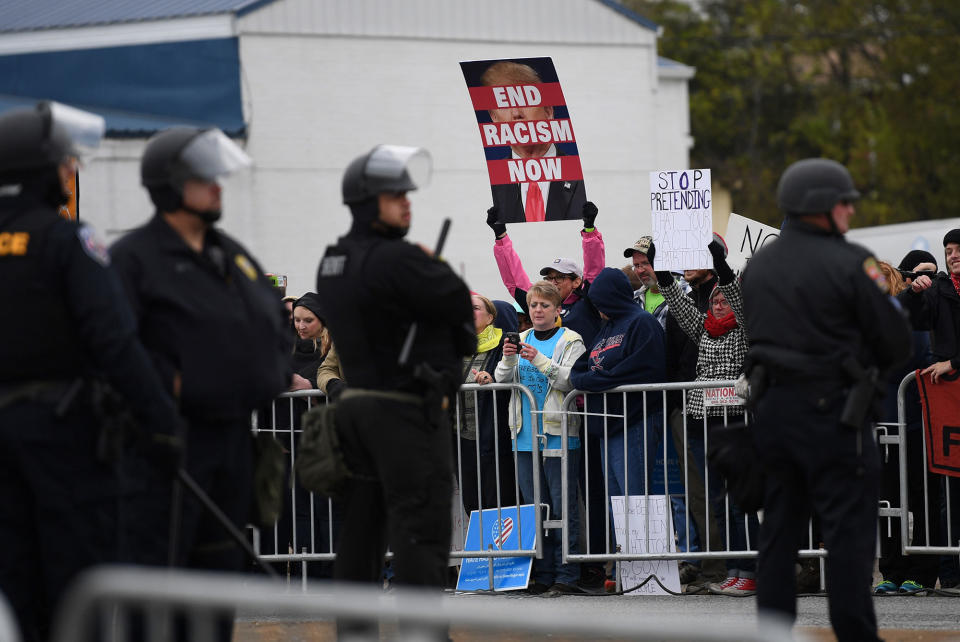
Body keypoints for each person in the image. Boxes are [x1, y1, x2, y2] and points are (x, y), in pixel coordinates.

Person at [0, 102, 182, 642]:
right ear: (41, 171)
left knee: (14, 582)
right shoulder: (67, 241)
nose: (71, 171)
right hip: (64, 440)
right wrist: (163, 423)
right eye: (64, 163)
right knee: (80, 584)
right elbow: (115, 342)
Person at [111, 127, 291, 581]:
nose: (217, 185)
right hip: (168, 446)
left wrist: (268, 375)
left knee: (218, 578)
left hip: (232, 441)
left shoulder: (230, 255)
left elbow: (273, 321)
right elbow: (113, 345)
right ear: (170, 186)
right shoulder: (133, 258)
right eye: (203, 178)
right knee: (160, 582)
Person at [742, 158, 912, 641]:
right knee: (847, 536)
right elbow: (896, 340)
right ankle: (855, 634)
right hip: (836, 415)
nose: (850, 213)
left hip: (773, 414)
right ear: (822, 207)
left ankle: (773, 633)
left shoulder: (759, 266)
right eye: (845, 203)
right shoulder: (851, 261)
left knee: (778, 532)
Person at [314, 144, 474, 638]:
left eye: (406, 193)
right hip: (406, 414)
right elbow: (462, 320)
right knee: (420, 534)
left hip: (356, 411)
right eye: (394, 195)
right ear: (367, 201)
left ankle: (354, 633)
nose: (406, 202)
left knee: (359, 533)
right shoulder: (401, 260)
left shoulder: (332, 260)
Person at [656, 239, 757, 595]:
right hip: (704, 422)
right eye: (713, 300)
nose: (718, 303)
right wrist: (660, 272)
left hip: (735, 421)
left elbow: (735, 294)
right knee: (716, 498)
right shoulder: (705, 330)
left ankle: (750, 568)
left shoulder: (743, 329)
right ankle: (733, 567)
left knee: (738, 497)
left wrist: (720, 263)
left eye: (723, 300)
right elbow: (680, 307)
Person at [495, 280, 586, 594]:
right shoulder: (519, 338)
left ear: (557, 310)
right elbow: (501, 379)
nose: (537, 310)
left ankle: (566, 575)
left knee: (563, 508)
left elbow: (571, 379)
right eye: (533, 305)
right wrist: (508, 358)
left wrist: (538, 360)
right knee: (535, 509)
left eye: (544, 305)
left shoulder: (571, 339)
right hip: (522, 435)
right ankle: (544, 574)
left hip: (558, 433)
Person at [897, 229, 960, 591]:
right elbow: (911, 318)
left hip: (951, 378)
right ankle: (951, 574)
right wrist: (913, 291)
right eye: (948, 251)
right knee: (947, 489)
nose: (952, 255)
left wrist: (954, 362)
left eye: (958, 249)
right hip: (947, 401)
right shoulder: (940, 288)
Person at [874, 259, 940, 594]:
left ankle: (922, 571)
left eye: (883, 278)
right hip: (880, 428)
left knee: (920, 497)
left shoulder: (911, 319)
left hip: (914, 424)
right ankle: (890, 571)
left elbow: (924, 365)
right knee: (886, 504)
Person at [570, 267, 665, 498]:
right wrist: (590, 379)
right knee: (617, 504)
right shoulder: (607, 327)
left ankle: (645, 538)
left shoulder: (642, 322)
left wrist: (592, 380)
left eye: (601, 301)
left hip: (635, 422)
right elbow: (580, 368)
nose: (598, 308)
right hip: (607, 424)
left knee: (635, 501)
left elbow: (642, 370)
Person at [481, 60, 585, 222]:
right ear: (494, 118)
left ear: (548, 111)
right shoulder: (487, 184)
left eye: (524, 100)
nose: (516, 113)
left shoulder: (581, 175)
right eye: (504, 103)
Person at [487, 201, 605, 344]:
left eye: (560, 277)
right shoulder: (540, 303)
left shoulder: (588, 303)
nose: (553, 282)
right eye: (549, 278)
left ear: (577, 282)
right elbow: (515, 281)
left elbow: (594, 272)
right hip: (546, 366)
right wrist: (500, 236)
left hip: (583, 366)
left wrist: (589, 230)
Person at [457, 294, 516, 515]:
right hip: (463, 438)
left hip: (493, 434)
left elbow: (508, 376)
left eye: (475, 308)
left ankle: (503, 550)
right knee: (472, 502)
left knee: (498, 500)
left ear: (490, 317)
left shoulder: (503, 344)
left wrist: (490, 379)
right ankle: (480, 550)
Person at [624, 236, 669, 328]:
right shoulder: (633, 299)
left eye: (645, 263)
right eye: (636, 265)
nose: (640, 270)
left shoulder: (685, 295)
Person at [289, 292, 331, 391]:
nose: (301, 326)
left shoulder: (333, 347)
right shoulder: (287, 347)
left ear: (322, 320)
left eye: (308, 320)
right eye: (297, 320)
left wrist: (310, 384)